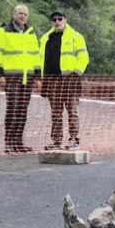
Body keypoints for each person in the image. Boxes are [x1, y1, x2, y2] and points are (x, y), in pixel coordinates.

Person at [0, 5, 42, 153]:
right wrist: (0, 74)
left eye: (25, 14)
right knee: (12, 108)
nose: (23, 16)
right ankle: (9, 142)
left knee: (22, 110)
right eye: (20, 13)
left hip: (28, 77)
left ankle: (18, 142)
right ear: (13, 14)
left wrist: (38, 77)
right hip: (11, 77)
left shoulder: (30, 33)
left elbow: (36, 56)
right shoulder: (3, 31)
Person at [40, 10, 88, 150]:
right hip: (52, 80)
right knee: (56, 112)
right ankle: (56, 140)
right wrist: (42, 79)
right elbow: (41, 59)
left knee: (72, 110)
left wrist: (76, 74)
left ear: (65, 20)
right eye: (54, 19)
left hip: (69, 79)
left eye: (60, 19)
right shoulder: (45, 38)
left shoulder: (76, 36)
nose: (57, 22)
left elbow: (83, 57)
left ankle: (74, 138)